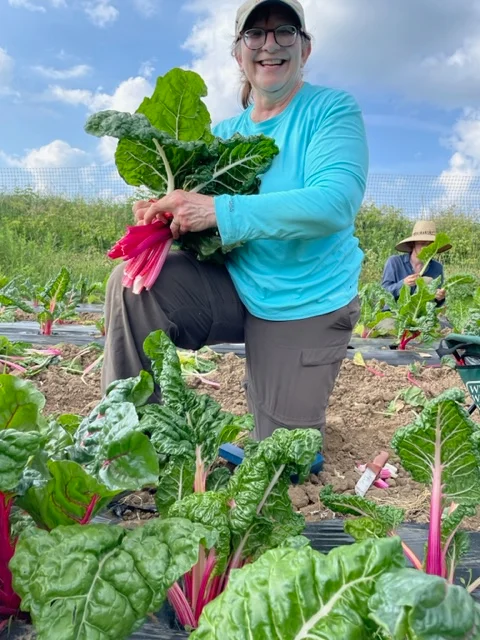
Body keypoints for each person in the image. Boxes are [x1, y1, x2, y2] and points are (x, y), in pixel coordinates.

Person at [102, 0, 369, 440]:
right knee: (132, 285)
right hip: (235, 285)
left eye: (284, 32)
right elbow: (204, 231)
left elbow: (334, 203)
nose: (270, 45)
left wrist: (215, 210)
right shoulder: (224, 135)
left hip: (304, 299)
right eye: (255, 34)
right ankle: (129, 437)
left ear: (305, 48)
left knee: (281, 456)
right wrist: (170, 219)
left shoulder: (330, 111)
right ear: (238, 50)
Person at [381, 220, 451, 303]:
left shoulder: (437, 267)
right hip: (395, 312)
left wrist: (439, 297)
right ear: (413, 244)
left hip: (422, 314)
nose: (426, 248)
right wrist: (403, 284)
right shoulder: (394, 262)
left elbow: (436, 303)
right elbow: (383, 292)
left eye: (430, 245)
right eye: (422, 243)